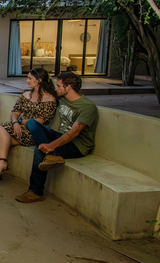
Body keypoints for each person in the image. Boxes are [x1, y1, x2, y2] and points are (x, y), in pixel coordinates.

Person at [15, 71, 98, 203]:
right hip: (61, 136)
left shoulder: (87, 107)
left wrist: (51, 146)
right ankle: (51, 156)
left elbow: (74, 133)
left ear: (69, 87)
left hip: (77, 145)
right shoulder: (63, 99)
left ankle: (36, 192)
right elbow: (42, 95)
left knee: (40, 149)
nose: (56, 89)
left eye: (59, 86)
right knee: (32, 123)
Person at [0, 68, 58, 184]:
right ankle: (1, 165)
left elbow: (39, 121)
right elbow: (15, 112)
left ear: (39, 80)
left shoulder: (50, 99)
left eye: (30, 78)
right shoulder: (26, 95)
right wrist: (15, 123)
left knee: (0, 136)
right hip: (19, 128)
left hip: (34, 132)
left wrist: (20, 121)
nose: (27, 80)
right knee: (1, 129)